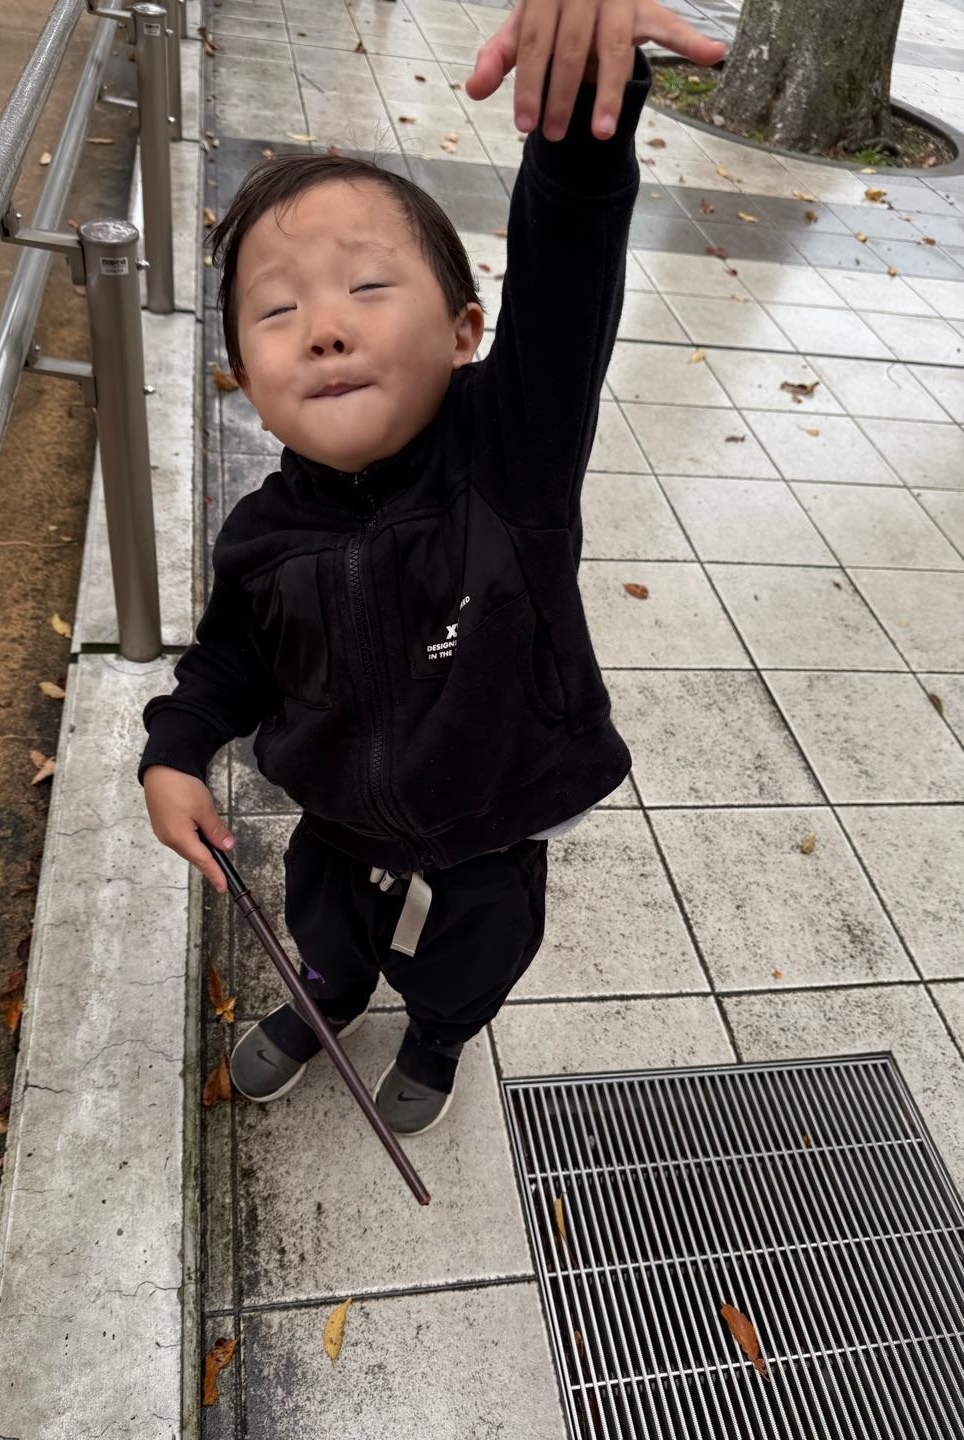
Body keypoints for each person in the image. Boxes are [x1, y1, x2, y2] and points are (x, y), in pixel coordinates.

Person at [139, 0, 728, 1136]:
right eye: (276, 309)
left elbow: (568, 272)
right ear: (245, 381)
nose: (323, 327)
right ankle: (329, 998)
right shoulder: (259, 535)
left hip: (494, 824)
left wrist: (579, 119)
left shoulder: (511, 456)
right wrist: (173, 752)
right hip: (337, 823)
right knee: (325, 932)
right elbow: (226, 666)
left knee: (471, 956)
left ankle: (440, 1035)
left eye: (367, 287)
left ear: (463, 333)